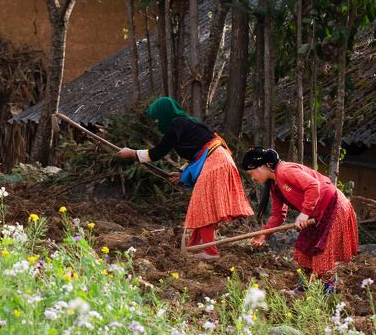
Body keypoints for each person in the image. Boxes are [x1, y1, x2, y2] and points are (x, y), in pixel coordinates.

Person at [117, 97, 253, 259]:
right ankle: (194, 247)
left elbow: (156, 153)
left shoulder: (176, 126)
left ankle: (210, 252)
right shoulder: (187, 124)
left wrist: (132, 153)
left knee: (203, 205)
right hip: (219, 160)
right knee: (201, 204)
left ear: (164, 114)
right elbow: (196, 154)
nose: (156, 122)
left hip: (215, 162)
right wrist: (182, 174)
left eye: (157, 118)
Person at [241, 147, 358, 294]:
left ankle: (328, 294)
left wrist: (304, 214)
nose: (253, 178)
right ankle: (302, 289)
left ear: (263, 166)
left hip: (333, 206)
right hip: (314, 213)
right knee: (303, 249)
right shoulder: (274, 185)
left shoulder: (285, 170)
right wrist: (264, 234)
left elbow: (313, 185)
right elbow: (278, 215)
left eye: (252, 173)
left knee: (323, 254)